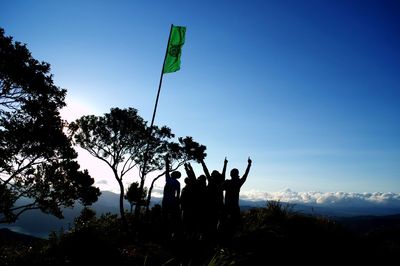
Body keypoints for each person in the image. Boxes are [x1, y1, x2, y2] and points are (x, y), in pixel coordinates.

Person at [223, 157, 252, 231]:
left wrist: (225, 164)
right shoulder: (238, 183)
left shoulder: (227, 183)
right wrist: (249, 164)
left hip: (226, 207)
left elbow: (220, 185)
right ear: (237, 174)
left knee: (224, 226)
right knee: (236, 226)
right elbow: (245, 175)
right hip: (235, 207)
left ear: (231, 174)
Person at [162, 154, 181, 238]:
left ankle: (165, 232)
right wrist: (176, 201)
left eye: (173, 173)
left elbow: (166, 170)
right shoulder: (177, 183)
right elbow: (178, 193)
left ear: (174, 175)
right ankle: (171, 232)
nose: (172, 173)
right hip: (173, 202)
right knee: (172, 218)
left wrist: (167, 161)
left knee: (165, 217)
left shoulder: (168, 179)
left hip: (166, 201)